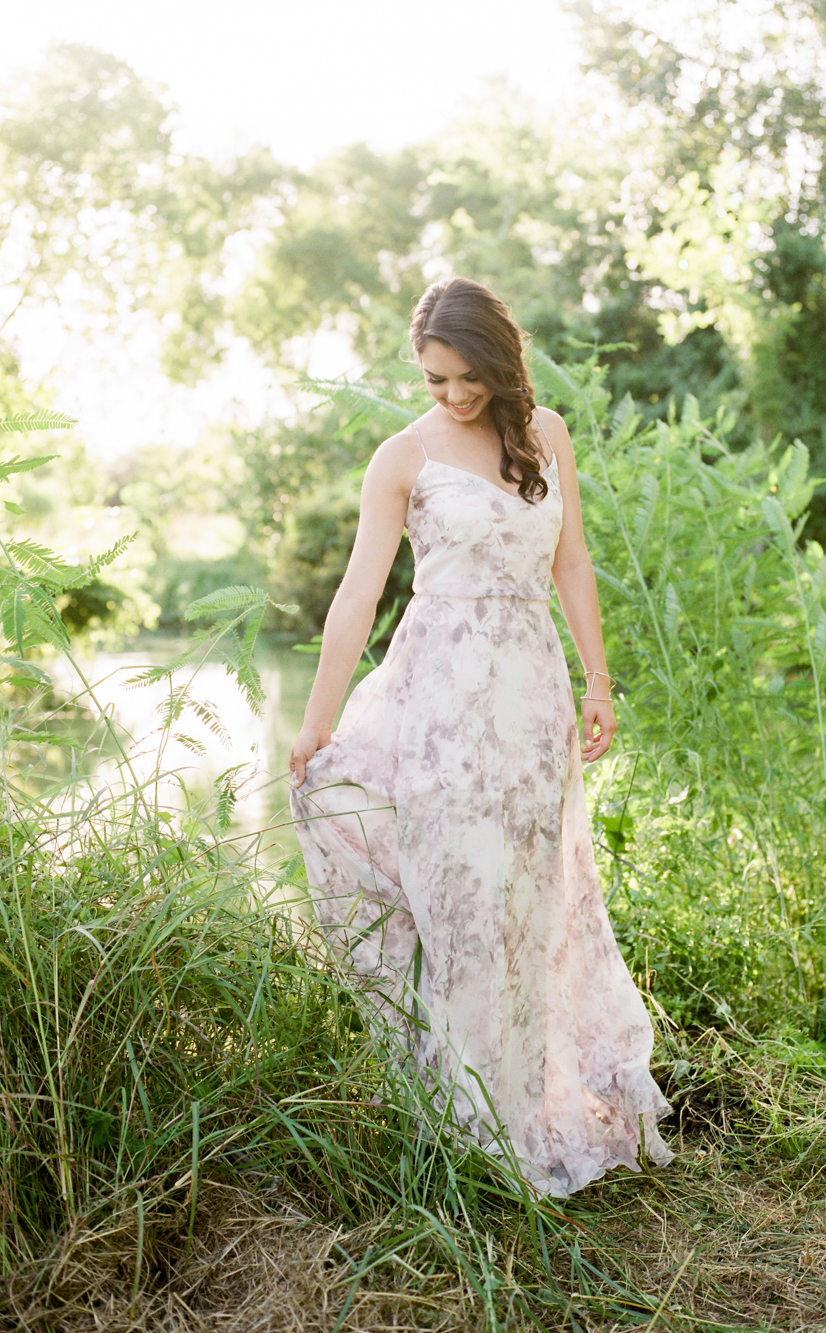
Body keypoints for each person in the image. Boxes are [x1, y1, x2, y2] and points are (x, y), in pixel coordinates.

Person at [289, 276, 671, 1196]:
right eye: (435, 379)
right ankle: (468, 1127)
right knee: (464, 903)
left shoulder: (549, 436)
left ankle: (534, 1105)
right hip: (443, 704)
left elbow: (571, 559)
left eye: (468, 377)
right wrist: (315, 720)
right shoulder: (403, 457)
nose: (455, 395)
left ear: (501, 363)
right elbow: (357, 596)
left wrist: (598, 679)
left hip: (531, 698)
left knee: (531, 904)